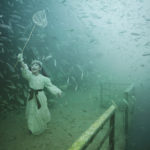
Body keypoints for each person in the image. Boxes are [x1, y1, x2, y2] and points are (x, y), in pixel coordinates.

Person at [17, 53, 62, 135]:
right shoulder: (30, 76)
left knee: (41, 111)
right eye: (32, 65)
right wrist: (21, 60)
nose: (33, 66)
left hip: (40, 96)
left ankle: (43, 122)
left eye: (36, 65)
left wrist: (57, 92)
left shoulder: (44, 78)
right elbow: (25, 69)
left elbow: (50, 86)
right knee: (31, 111)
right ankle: (32, 128)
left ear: (40, 68)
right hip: (31, 96)